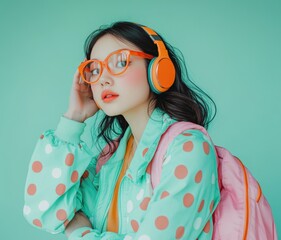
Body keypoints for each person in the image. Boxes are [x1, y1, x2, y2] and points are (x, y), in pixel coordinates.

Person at [23, 21, 220, 239]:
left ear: (158, 69)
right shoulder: (109, 159)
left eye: (120, 62)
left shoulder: (189, 147)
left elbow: (72, 224)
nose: (104, 80)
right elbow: (45, 212)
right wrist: (74, 118)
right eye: (95, 70)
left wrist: (80, 232)